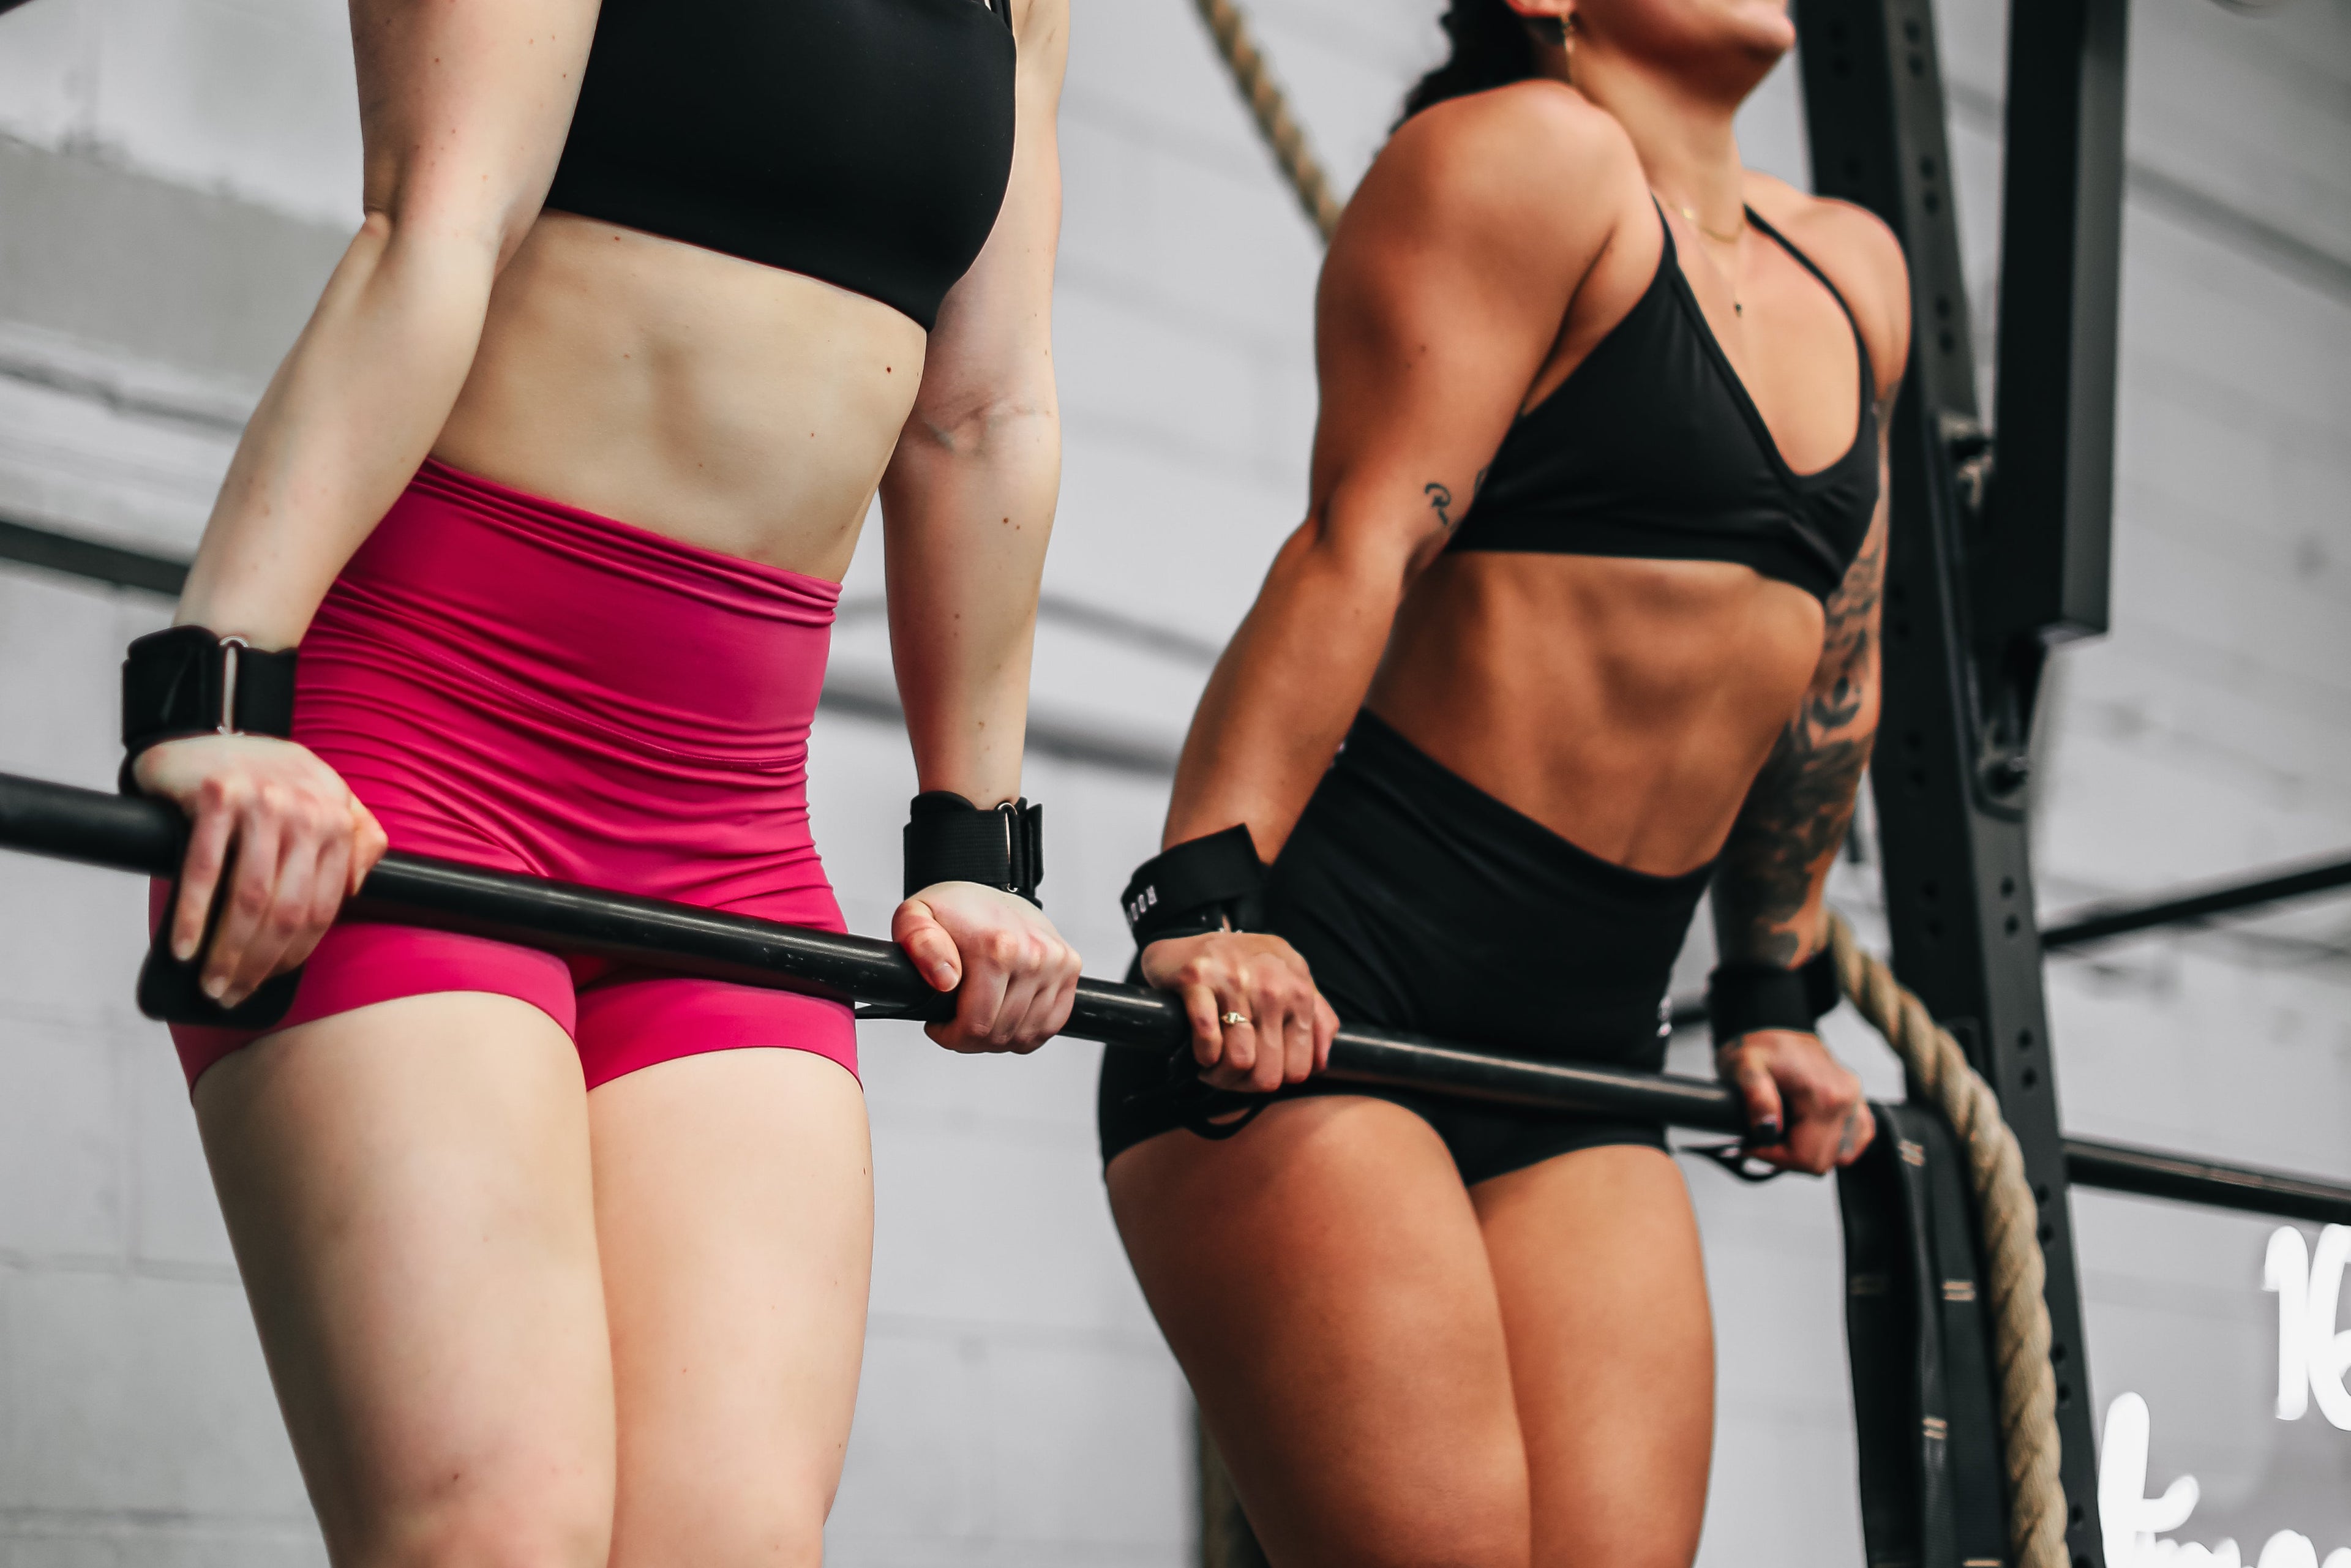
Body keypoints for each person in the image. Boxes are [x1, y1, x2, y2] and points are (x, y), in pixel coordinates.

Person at [118, 0, 1075, 1561]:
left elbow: (982, 413)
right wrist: (224, 690)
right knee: (501, 1532)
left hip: (729, 830)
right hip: (420, 764)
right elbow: (438, 226)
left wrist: (978, 847)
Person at [1098, 0, 1908, 1561]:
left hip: (1585, 1046)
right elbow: (1360, 540)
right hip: (1336, 1006)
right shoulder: (1525, 160)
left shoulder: (1855, 272)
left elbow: (1833, 677)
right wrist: (1204, 898)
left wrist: (1772, 996)